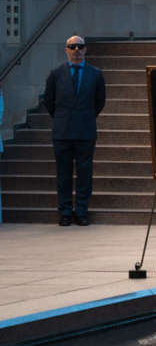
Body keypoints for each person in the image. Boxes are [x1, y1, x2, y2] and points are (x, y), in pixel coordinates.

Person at [43, 36, 106, 226]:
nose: (76, 50)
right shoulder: (56, 74)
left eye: (80, 46)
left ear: (85, 49)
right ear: (66, 50)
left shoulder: (95, 74)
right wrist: (62, 118)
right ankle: (64, 212)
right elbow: (49, 101)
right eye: (72, 46)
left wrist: (85, 117)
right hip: (62, 132)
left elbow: (99, 102)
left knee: (84, 174)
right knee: (63, 174)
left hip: (85, 130)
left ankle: (81, 211)